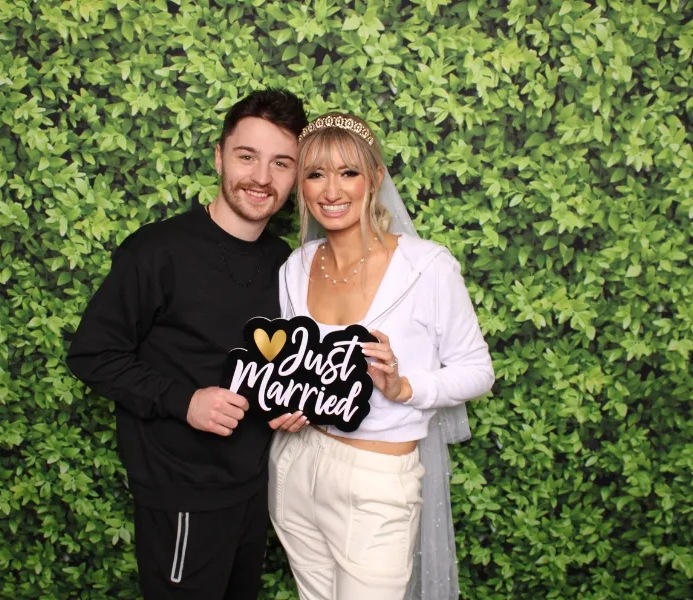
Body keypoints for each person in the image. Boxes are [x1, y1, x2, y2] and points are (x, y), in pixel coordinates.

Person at [66, 89, 309, 600]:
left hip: (255, 489)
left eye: (281, 163)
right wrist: (185, 400)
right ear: (220, 156)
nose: (262, 178)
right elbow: (93, 354)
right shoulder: (157, 251)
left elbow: (281, 362)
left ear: (295, 174)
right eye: (247, 156)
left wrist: (298, 402)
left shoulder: (286, 263)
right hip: (182, 492)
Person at [270, 114, 495, 600]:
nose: (332, 190)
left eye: (348, 172)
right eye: (315, 174)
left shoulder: (427, 266)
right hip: (294, 467)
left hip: (376, 481)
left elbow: (478, 371)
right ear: (301, 188)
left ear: (374, 178)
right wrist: (285, 405)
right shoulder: (295, 267)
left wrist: (403, 387)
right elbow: (296, 369)